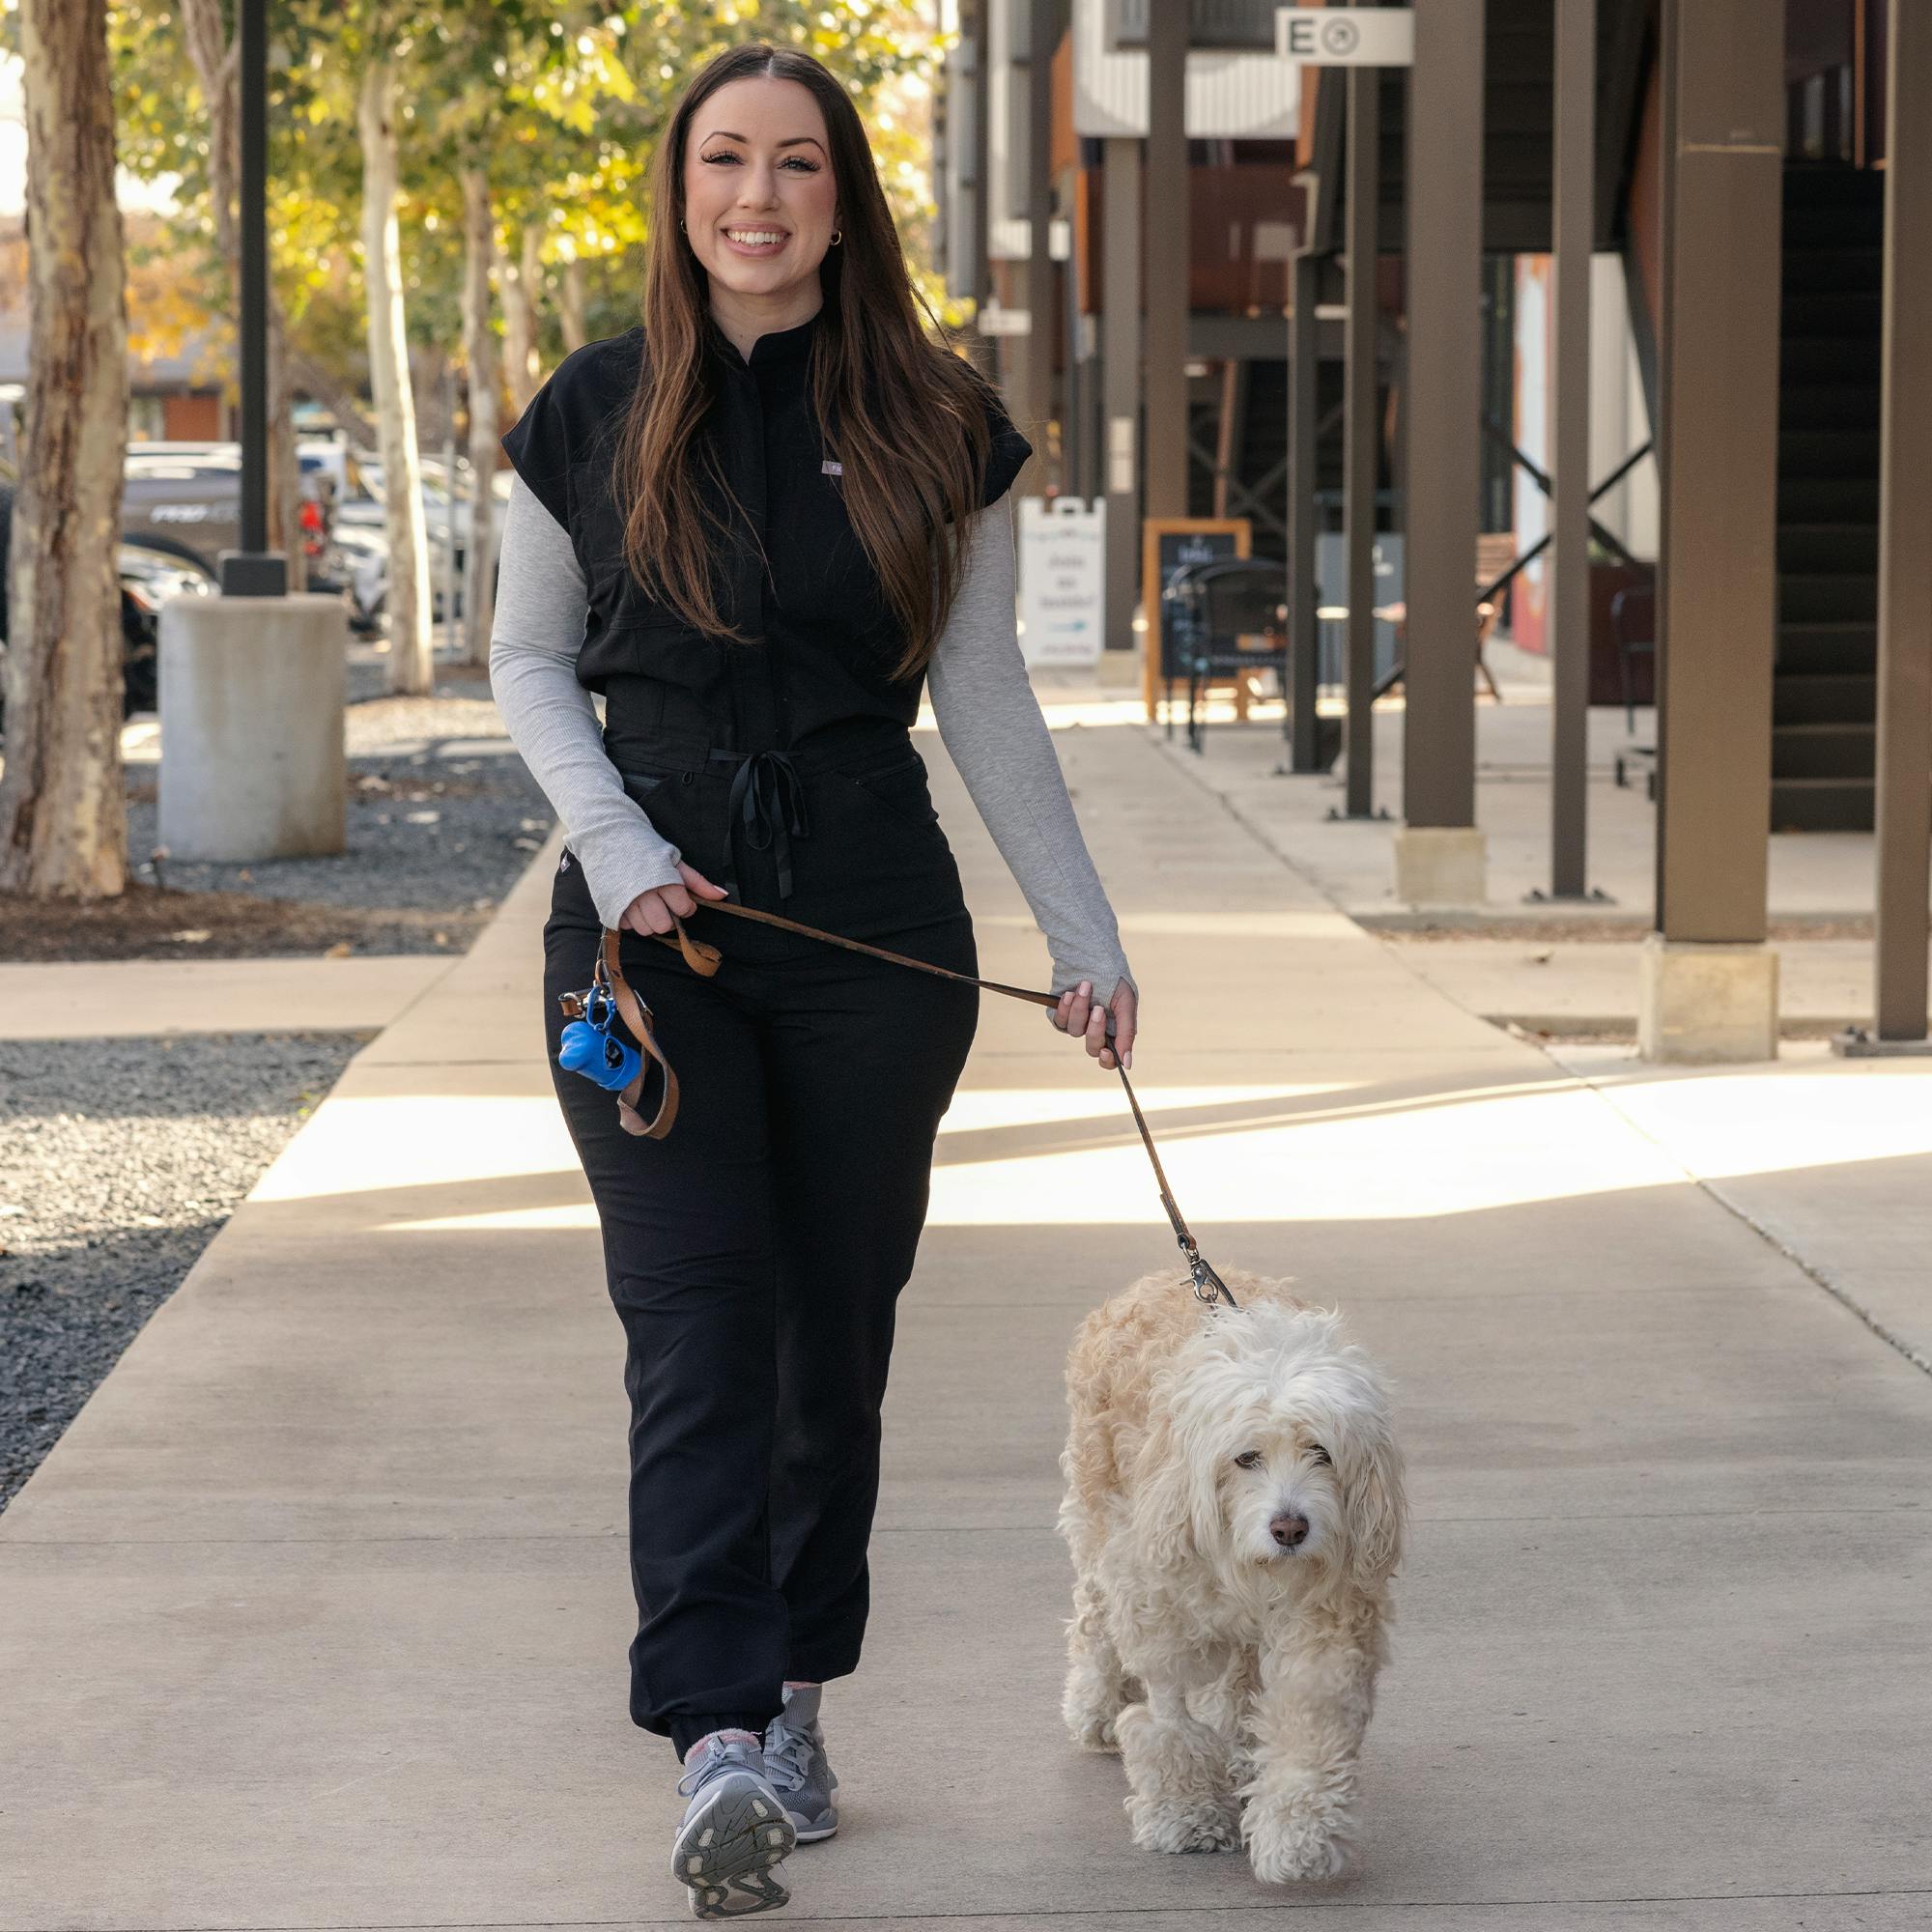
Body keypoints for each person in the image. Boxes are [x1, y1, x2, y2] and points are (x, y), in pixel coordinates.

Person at [488, 40, 1138, 1922]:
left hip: (871, 912)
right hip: (644, 917)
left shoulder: (939, 420)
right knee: (694, 1318)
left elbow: (990, 695)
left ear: (841, 198)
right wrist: (619, 849)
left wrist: (1082, 940)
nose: (754, 197)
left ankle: (790, 1692)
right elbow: (530, 666)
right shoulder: (586, 412)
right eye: (721, 162)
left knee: (823, 1337)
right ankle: (711, 1731)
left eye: (793, 165)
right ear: (675, 191)